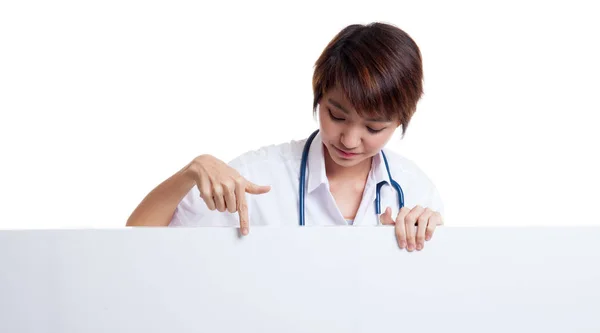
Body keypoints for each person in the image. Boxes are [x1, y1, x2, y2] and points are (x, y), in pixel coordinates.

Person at [127, 22, 444, 252]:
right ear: (318, 96)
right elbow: (134, 240)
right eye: (336, 116)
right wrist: (190, 173)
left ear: (401, 120)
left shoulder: (416, 191)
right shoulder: (257, 177)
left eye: (373, 129)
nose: (349, 140)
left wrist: (410, 257)